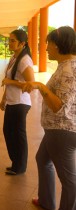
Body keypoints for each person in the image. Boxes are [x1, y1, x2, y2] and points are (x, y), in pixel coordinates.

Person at [22, 26, 76, 210]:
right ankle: (46, 201)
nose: (45, 49)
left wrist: (39, 86)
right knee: (42, 159)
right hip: (56, 129)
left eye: (48, 44)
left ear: (59, 45)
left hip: (62, 130)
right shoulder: (65, 66)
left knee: (69, 181)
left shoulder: (68, 69)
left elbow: (58, 106)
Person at [0, 29, 35, 175]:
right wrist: (4, 98)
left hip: (21, 102)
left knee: (18, 134)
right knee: (8, 131)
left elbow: (31, 84)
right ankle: (15, 162)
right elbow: (8, 81)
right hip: (12, 101)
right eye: (9, 39)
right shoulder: (15, 57)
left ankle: (20, 167)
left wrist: (11, 82)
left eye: (13, 40)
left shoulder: (24, 60)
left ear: (22, 43)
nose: (10, 42)